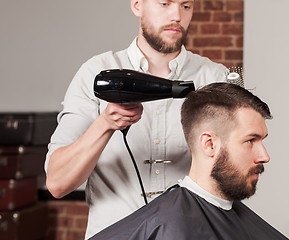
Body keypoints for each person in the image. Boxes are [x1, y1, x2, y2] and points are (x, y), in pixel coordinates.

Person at [44, 0, 228, 239]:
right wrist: (105, 124)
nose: (177, 16)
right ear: (137, 5)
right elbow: (58, 183)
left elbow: (234, 174)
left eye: (186, 6)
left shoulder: (214, 77)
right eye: (164, 3)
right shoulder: (95, 73)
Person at [88, 82, 288, 240]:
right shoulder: (165, 225)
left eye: (262, 140)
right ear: (210, 144)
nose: (265, 156)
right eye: (250, 140)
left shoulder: (240, 218)